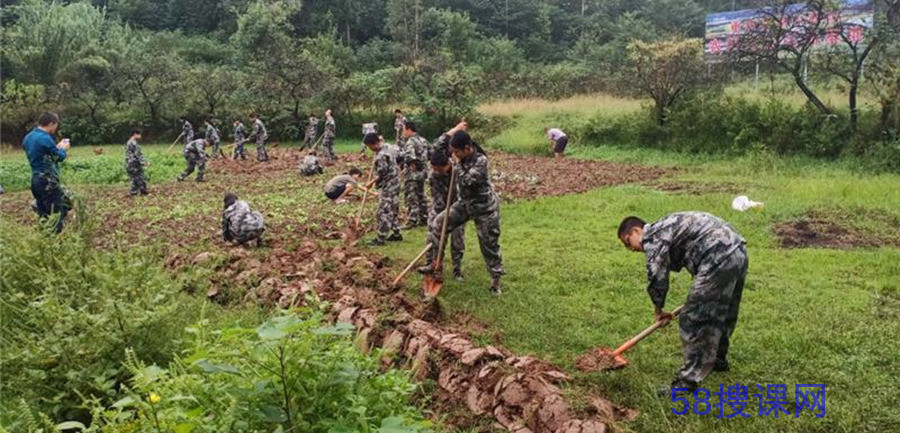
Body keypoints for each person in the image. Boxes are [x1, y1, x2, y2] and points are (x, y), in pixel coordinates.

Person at [617, 212, 748, 396]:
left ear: (636, 231)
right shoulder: (667, 223)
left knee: (692, 318)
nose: (630, 249)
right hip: (737, 249)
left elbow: (657, 277)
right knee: (724, 310)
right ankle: (717, 360)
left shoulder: (652, 236)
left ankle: (688, 381)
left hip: (717, 256)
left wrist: (658, 310)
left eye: (627, 242)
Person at [422, 130, 504, 296]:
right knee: (438, 223)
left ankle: (495, 280)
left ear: (467, 148)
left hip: (484, 208)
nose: (454, 154)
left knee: (488, 245)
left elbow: (467, 180)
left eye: (457, 152)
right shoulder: (458, 155)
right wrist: (450, 137)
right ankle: (436, 265)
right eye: (452, 152)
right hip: (464, 204)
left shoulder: (481, 160)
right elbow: (436, 147)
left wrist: (456, 165)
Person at [419, 148, 466, 280]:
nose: (435, 171)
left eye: (438, 169)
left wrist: (454, 211)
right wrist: (441, 217)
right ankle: (432, 264)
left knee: (457, 239)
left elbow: (464, 194)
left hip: (458, 208)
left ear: (447, 165)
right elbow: (437, 198)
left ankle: (457, 269)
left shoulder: (459, 172)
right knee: (433, 235)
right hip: (440, 206)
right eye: (433, 168)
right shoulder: (433, 175)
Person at [23, 112, 71, 233]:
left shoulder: (28, 137)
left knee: (43, 214)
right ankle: (56, 242)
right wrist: (63, 149)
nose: (55, 129)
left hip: (36, 179)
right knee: (57, 212)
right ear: (51, 124)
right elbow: (59, 157)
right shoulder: (45, 138)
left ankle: (45, 241)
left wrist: (55, 147)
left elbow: (43, 153)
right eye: (55, 125)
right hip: (48, 180)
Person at [363, 132, 402, 246]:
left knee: (383, 211)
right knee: (394, 209)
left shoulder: (381, 156)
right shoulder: (388, 147)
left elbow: (381, 173)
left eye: (370, 147)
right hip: (396, 183)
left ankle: (380, 238)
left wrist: (370, 182)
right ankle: (396, 233)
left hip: (387, 186)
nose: (370, 149)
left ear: (374, 144)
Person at [400, 120, 429, 229]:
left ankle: (412, 220)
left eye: (404, 130)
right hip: (423, 173)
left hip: (412, 174)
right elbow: (430, 153)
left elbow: (409, 157)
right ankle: (424, 217)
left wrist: (412, 165)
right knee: (421, 195)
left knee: (411, 196)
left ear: (409, 130)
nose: (403, 132)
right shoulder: (423, 140)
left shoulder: (411, 141)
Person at [124, 129, 148, 196]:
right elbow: (138, 154)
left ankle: (133, 192)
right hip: (134, 163)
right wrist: (144, 162)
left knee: (134, 178)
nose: (140, 136)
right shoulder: (134, 143)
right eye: (139, 134)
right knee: (140, 177)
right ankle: (144, 192)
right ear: (135, 134)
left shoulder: (128, 142)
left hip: (129, 163)